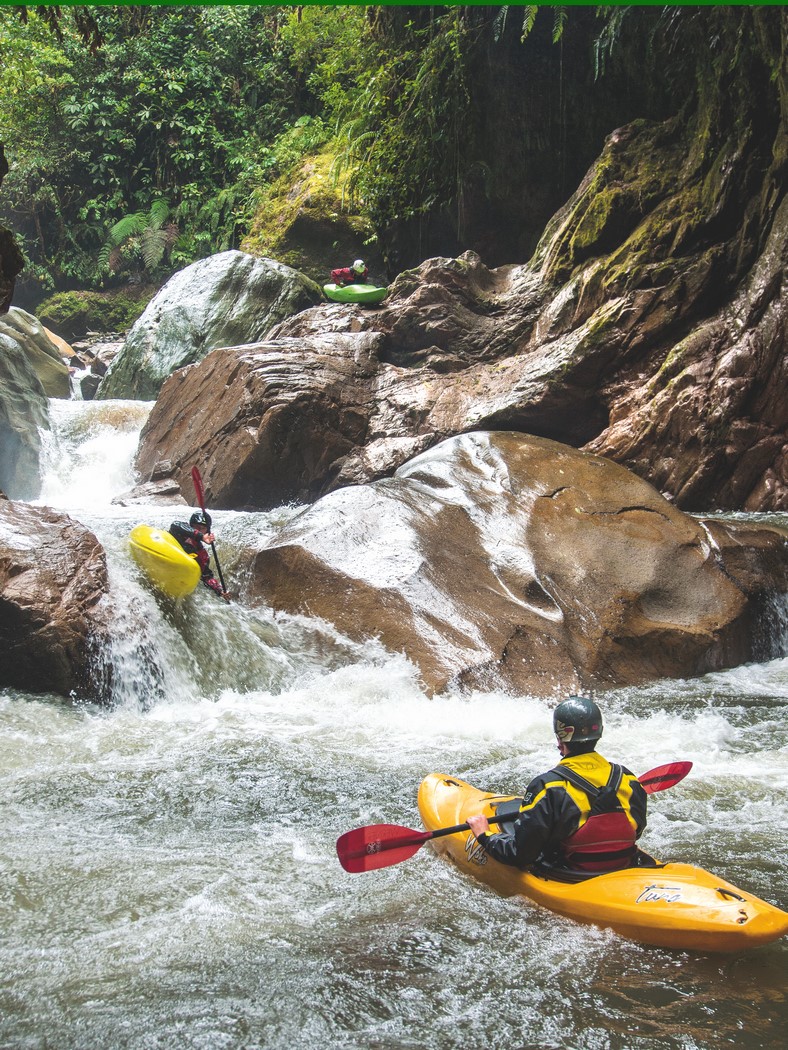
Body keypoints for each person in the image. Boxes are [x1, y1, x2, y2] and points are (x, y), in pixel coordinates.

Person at [466, 696, 648, 874]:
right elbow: (635, 832)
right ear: (599, 732)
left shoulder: (547, 787)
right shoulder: (628, 779)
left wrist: (485, 835)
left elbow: (521, 855)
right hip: (622, 867)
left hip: (573, 873)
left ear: (560, 740)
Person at [169, 511, 230, 602]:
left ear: (207, 531)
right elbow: (175, 525)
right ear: (191, 526)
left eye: (203, 528)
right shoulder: (181, 531)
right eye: (197, 527)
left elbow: (207, 577)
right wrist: (201, 536)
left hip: (178, 573)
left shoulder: (201, 553)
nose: (200, 530)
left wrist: (220, 591)